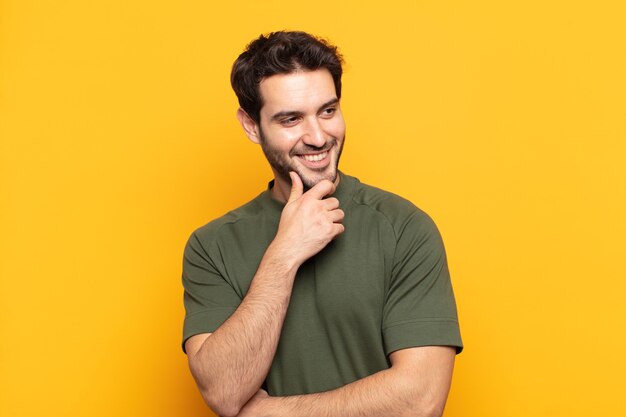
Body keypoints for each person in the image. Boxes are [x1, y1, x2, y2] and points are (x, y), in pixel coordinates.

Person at [181, 31, 463, 417]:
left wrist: (268, 413)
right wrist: (283, 255)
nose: (318, 137)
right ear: (251, 126)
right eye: (291, 119)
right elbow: (224, 391)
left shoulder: (404, 228)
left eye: (328, 111)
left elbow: (420, 400)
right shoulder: (211, 246)